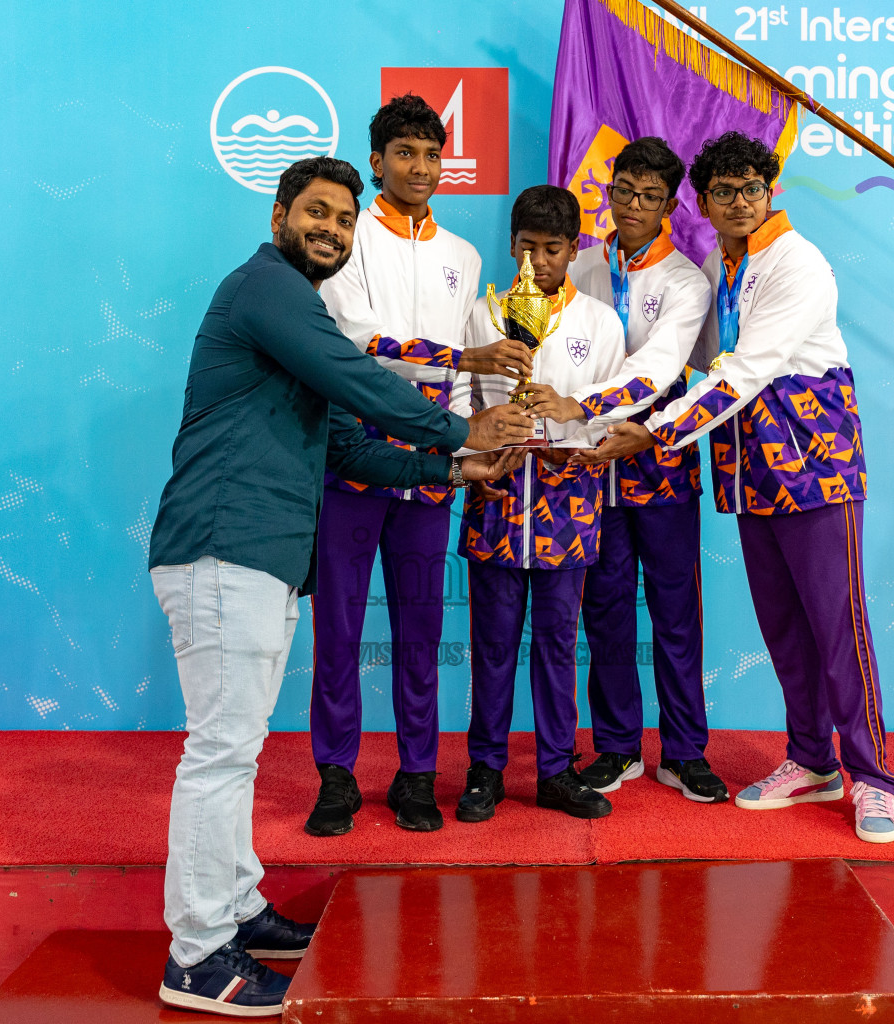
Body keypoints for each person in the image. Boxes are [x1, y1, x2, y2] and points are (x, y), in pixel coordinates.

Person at [146, 156, 531, 1018]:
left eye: (344, 218)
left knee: (233, 748)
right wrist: (459, 421)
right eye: (316, 212)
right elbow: (362, 383)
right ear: (281, 214)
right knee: (219, 754)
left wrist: (458, 464)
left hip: (259, 556)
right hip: (223, 545)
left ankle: (236, 907)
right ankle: (198, 953)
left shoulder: (297, 307)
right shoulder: (266, 287)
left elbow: (349, 442)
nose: (331, 228)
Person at [585, 131, 894, 844]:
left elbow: (741, 373)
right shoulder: (717, 264)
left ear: (770, 191)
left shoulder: (798, 264)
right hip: (751, 474)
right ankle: (811, 760)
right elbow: (692, 366)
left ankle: (875, 780)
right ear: (703, 202)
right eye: (723, 191)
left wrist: (657, 433)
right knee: (786, 632)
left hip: (815, 469)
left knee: (838, 630)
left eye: (749, 189)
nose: (736, 202)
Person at [305, 95, 535, 838]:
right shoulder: (348, 239)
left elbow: (472, 378)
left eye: (432, 155)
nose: (421, 167)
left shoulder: (463, 258)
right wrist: (462, 363)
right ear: (377, 162)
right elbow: (359, 342)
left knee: (420, 629)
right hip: (353, 448)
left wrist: (479, 440)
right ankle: (336, 777)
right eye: (405, 153)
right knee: (339, 626)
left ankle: (414, 777)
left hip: (432, 457)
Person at [514, 137, 725, 803]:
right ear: (608, 192)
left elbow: (657, 370)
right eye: (624, 191)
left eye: (650, 196)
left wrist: (586, 406)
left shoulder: (687, 281)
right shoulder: (581, 264)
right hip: (586, 466)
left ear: (670, 205)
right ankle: (615, 746)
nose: (634, 205)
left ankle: (686, 751)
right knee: (603, 611)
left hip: (656, 453)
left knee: (675, 611)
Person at [455, 184, 629, 823]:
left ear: (573, 248)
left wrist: (567, 422)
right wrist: (474, 449)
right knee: (492, 643)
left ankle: (557, 768)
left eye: (552, 250)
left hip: (569, 497)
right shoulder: (482, 314)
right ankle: (485, 770)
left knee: (558, 641)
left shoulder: (598, 321)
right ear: (511, 244)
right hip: (498, 492)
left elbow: (616, 408)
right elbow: (461, 398)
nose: (538, 263)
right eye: (527, 248)